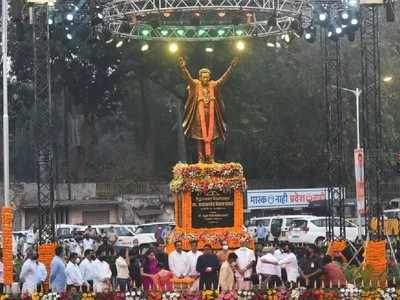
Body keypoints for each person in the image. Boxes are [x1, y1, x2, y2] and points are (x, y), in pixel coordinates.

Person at [178, 56, 239, 163]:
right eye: (204, 77)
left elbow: (223, 79)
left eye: (207, 77)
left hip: (212, 115)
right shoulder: (195, 85)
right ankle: (201, 159)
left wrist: (231, 67)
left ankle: (211, 159)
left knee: (212, 138)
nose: (206, 79)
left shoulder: (213, 85)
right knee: (199, 138)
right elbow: (188, 78)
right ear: (200, 77)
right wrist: (183, 68)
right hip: (198, 116)